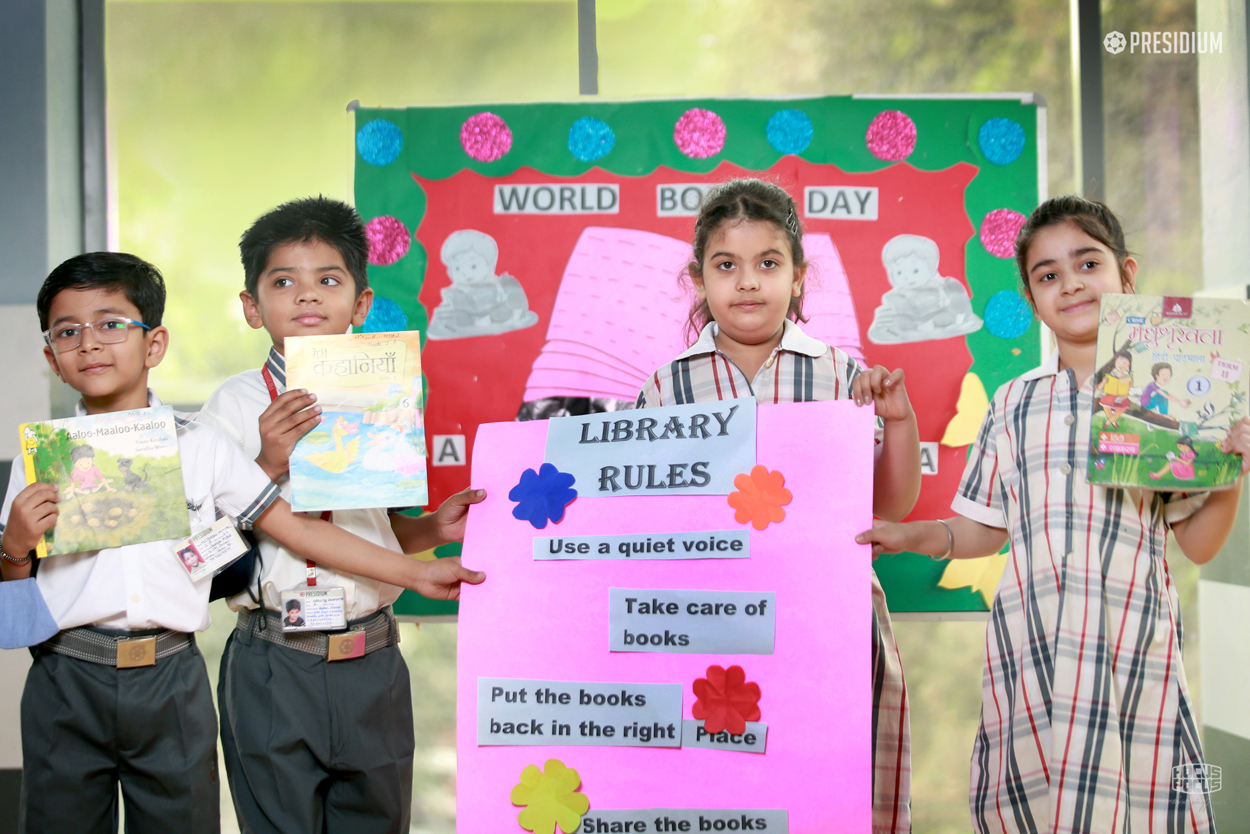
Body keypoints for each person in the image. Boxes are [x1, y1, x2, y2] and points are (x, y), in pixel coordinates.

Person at [0, 252, 484, 834]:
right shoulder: (41, 462)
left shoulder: (203, 446)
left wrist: (418, 574)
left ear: (154, 346)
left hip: (171, 673)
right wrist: (13, 546)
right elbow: (14, 613)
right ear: (52, 358)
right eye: (67, 332)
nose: (90, 343)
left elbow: (295, 528)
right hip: (66, 669)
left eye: (110, 324)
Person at [857, 196, 1250, 833]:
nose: (1069, 283)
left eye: (1087, 263)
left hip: (1134, 652)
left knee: (1147, 804)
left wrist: (1230, 478)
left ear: (1126, 274)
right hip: (1030, 655)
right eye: (1047, 275)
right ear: (1032, 297)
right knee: (1035, 805)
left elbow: (1198, 545)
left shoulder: (1169, 396)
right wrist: (910, 534)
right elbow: (985, 528)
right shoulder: (1015, 402)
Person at [635, 179, 921, 834]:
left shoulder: (841, 375)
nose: (748, 282)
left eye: (768, 263)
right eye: (726, 265)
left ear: (798, 278)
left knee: (831, 795)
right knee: (726, 791)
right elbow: (644, 517)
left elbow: (891, 504)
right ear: (699, 279)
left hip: (829, 621)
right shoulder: (668, 386)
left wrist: (897, 421)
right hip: (711, 624)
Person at [195, 196, 487, 834]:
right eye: (283, 282)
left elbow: (374, 532)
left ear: (360, 305)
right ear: (252, 306)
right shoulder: (232, 406)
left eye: (328, 280)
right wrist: (266, 465)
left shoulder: (381, 394)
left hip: (371, 657)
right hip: (272, 659)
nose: (307, 297)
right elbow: (200, 559)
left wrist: (433, 529)